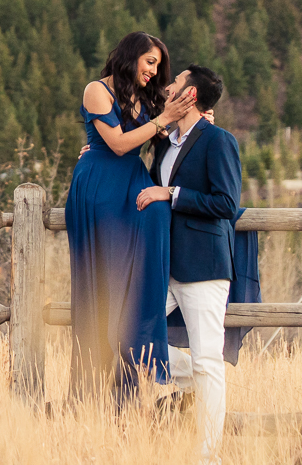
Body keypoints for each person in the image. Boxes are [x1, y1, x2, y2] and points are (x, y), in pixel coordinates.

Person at [65, 31, 196, 402]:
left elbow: (163, 138)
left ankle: (139, 343)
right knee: (103, 279)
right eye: (150, 62)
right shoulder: (97, 90)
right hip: (100, 186)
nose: (154, 71)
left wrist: (190, 119)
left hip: (133, 183)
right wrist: (163, 118)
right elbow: (121, 144)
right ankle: (91, 392)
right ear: (130, 56)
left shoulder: (144, 98)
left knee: (153, 225)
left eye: (158, 65)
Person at [137, 65, 242, 463]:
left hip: (204, 266)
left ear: (190, 95)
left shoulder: (219, 141)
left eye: (175, 83)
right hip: (162, 264)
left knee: (208, 357)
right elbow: (146, 186)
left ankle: (208, 454)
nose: (166, 88)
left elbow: (226, 204)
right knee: (129, 340)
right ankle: (195, 377)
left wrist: (173, 193)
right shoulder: (163, 144)